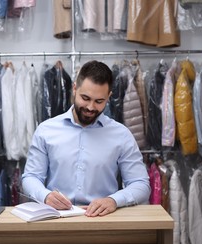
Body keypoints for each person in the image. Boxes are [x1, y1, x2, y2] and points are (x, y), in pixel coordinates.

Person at [21, 60, 150, 217]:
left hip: (103, 221)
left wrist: (113, 200)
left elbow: (141, 184)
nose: (90, 107)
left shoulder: (121, 135)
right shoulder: (45, 131)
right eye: (85, 98)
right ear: (75, 88)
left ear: (109, 97)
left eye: (99, 101)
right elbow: (31, 177)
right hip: (55, 219)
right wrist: (45, 196)